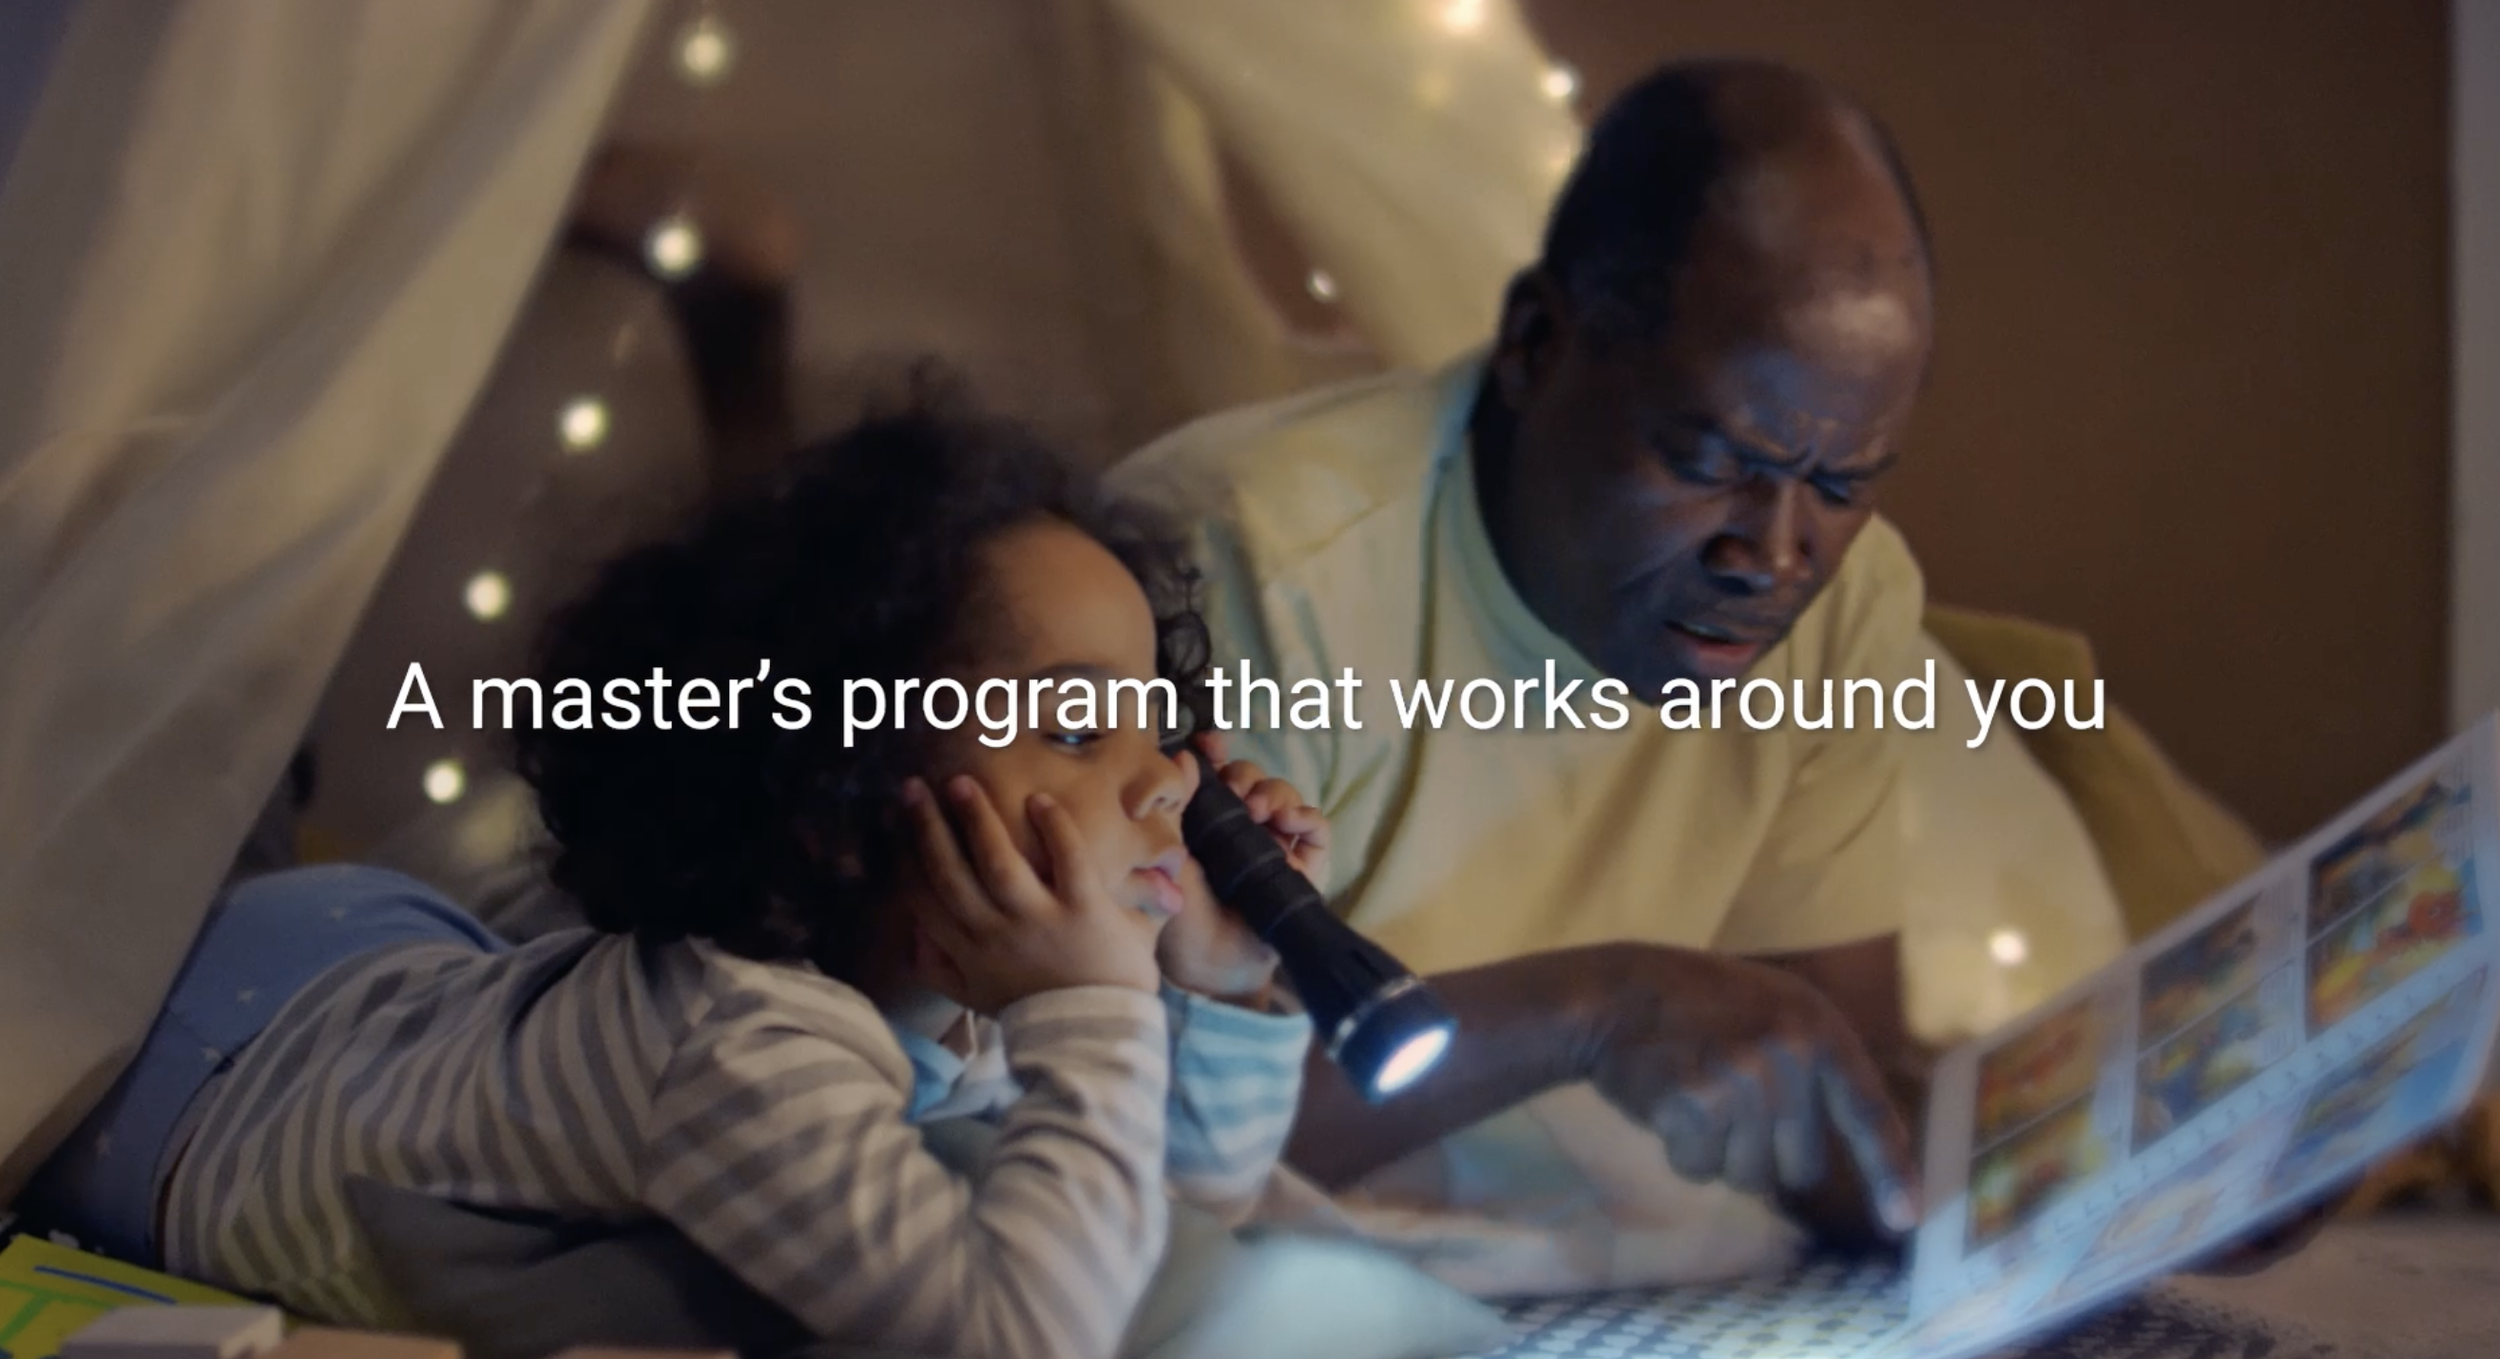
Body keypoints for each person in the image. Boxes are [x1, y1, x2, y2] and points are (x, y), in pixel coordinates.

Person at [24, 396, 1328, 1359]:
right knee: (157, 744)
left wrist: (1226, 980)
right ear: (838, 792)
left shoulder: (964, 981)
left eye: (1160, 716)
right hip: (202, 1068)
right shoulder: (741, 1039)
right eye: (1075, 726)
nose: (1169, 777)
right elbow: (1024, 1334)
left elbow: (1171, 1212)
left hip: (399, 981)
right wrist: (1095, 1004)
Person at [1110, 58, 1939, 1247]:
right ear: (1535, 343)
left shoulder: (1850, 607)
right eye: (1706, 462)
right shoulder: (1245, 565)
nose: (1773, 553)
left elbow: (1849, 1090)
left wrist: (2136, 1163)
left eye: (1842, 483)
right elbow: (1109, 1134)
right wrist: (1593, 1009)